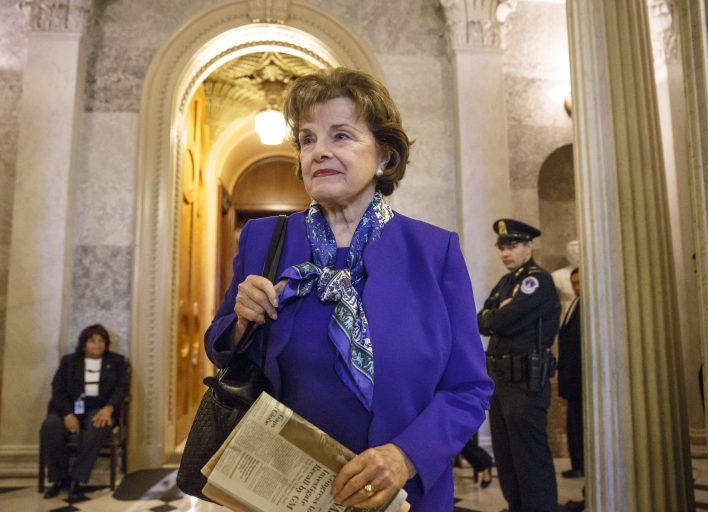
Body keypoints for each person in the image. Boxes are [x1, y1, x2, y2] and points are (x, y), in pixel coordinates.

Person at [204, 67, 493, 511]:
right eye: (307, 139)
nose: (319, 151)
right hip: (286, 492)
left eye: (340, 135)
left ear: (383, 157)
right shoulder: (264, 240)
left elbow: (468, 388)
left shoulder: (434, 252)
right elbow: (221, 348)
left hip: (405, 495)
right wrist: (241, 321)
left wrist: (406, 457)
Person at [478, 219, 561, 512]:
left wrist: (496, 316)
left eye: (512, 246)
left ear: (529, 246)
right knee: (507, 456)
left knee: (530, 459)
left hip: (525, 382)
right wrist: (494, 315)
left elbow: (501, 320)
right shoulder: (506, 283)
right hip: (501, 381)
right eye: (502, 247)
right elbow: (481, 321)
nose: (505, 253)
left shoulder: (536, 281)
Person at [40, 324, 129, 501]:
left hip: (100, 408)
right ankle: (59, 479)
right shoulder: (69, 361)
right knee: (50, 425)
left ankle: (77, 478)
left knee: (98, 425)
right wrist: (67, 414)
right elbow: (58, 390)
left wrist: (109, 408)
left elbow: (121, 389)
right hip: (71, 408)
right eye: (92, 340)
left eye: (101, 341)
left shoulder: (116, 361)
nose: (97, 344)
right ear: (84, 343)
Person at [558, 268, 583, 479]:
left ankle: (581, 464)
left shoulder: (589, 306)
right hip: (571, 377)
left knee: (579, 423)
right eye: (573, 283)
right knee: (573, 423)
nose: (576, 287)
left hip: (580, 378)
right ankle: (578, 463)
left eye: (579, 282)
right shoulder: (575, 303)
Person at [551, 240, 579, 321]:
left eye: (578, 253)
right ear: (568, 255)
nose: (577, 256)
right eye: (574, 253)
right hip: (566, 316)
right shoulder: (557, 276)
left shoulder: (593, 275)